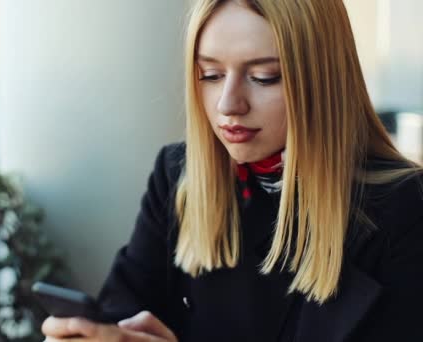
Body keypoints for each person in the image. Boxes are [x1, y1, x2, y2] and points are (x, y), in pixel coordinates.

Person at [42, 0, 423, 341]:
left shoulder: (403, 208)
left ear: (322, 80)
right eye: (210, 74)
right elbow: (122, 309)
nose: (228, 104)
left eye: (264, 77)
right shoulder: (177, 176)